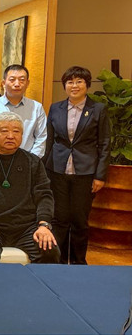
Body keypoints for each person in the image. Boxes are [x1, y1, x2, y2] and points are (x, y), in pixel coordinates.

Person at [0, 112, 59, 263]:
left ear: (22, 135)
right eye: (4, 131)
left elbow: (44, 196)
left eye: (16, 131)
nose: (10, 136)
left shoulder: (33, 162)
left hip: (26, 227)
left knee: (49, 250)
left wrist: (43, 224)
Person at [44, 66, 110, 264]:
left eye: (79, 81)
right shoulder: (55, 108)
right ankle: (58, 261)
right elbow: (49, 140)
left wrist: (100, 176)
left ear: (87, 85)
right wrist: (45, 170)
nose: (74, 86)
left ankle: (78, 262)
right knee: (59, 218)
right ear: (64, 85)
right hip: (57, 170)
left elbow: (104, 144)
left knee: (79, 219)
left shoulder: (98, 109)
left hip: (85, 172)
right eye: (70, 82)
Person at [0, 64, 47, 157]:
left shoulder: (36, 108)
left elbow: (41, 138)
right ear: (3, 83)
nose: (17, 84)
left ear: (27, 83)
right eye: (12, 80)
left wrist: (32, 160)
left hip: (28, 161)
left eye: (22, 80)